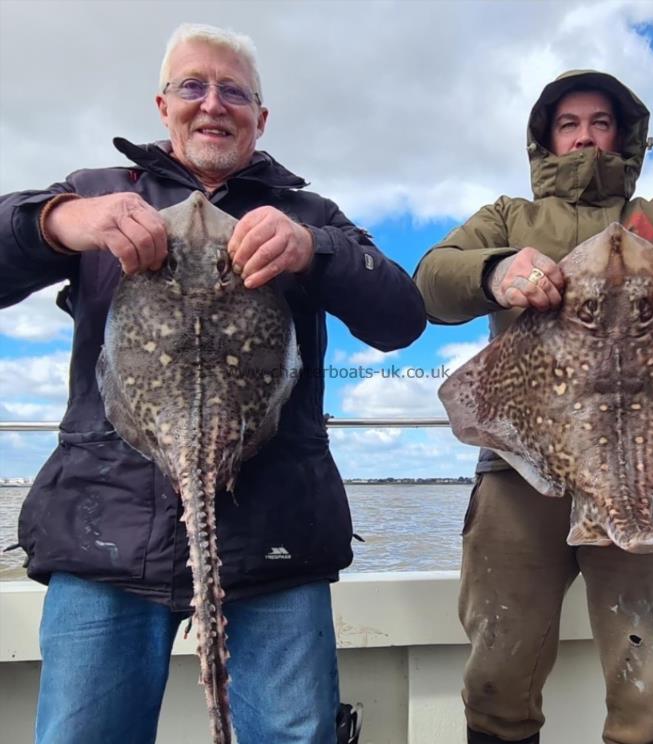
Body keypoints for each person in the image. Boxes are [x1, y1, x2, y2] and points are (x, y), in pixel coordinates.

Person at [0, 23, 425, 744]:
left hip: (275, 542)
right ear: (161, 106)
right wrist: (57, 220)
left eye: (234, 91)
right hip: (104, 537)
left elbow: (402, 318)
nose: (212, 103)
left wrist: (313, 252)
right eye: (192, 86)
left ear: (260, 118)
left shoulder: (310, 214)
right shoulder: (99, 193)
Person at [414, 70, 653, 744]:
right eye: (569, 123)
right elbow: (430, 282)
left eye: (600, 122)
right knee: (499, 664)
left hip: (646, 474)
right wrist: (497, 271)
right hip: (520, 466)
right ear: (546, 138)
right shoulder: (508, 217)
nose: (586, 135)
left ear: (623, 134)